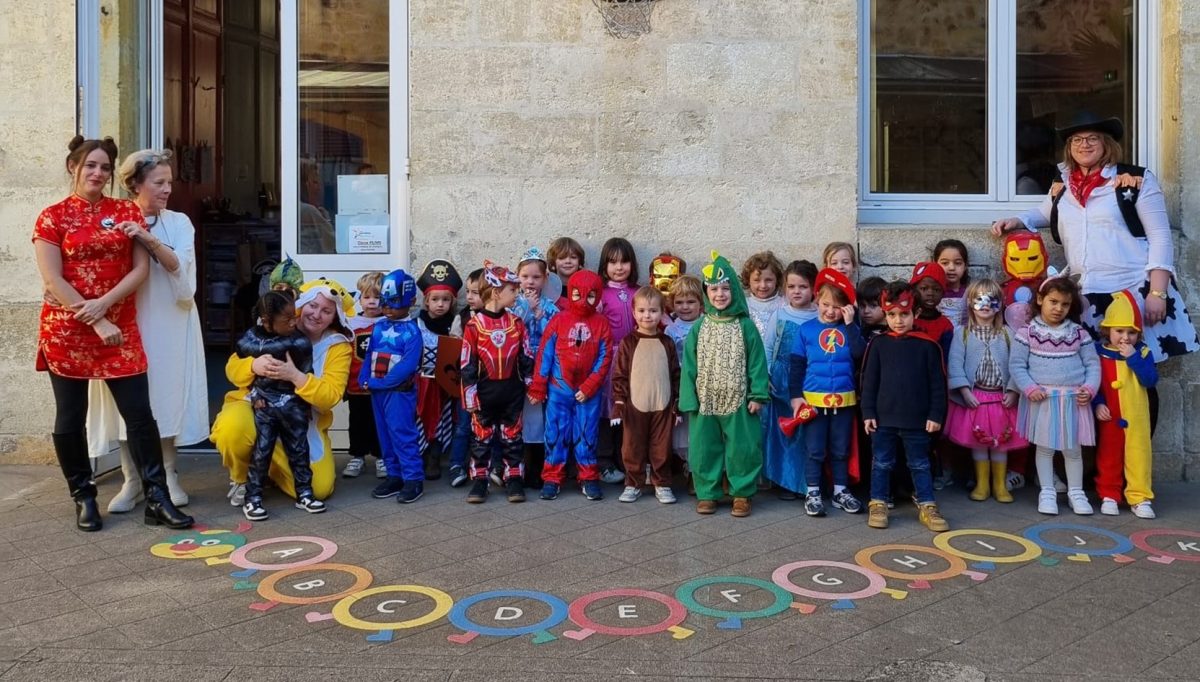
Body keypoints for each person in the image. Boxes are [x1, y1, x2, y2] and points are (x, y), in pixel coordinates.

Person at [33, 135, 192, 531]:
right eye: (91, 165)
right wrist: (95, 318)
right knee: (71, 416)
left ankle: (156, 498)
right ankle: (83, 496)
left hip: (119, 329)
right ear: (74, 167)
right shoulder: (52, 216)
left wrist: (106, 307)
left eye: (105, 167)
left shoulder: (125, 212)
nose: (98, 173)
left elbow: (140, 270)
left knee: (140, 415)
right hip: (67, 329)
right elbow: (52, 279)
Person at [991, 111, 1198, 365]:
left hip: (1132, 289)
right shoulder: (1064, 183)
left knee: (1136, 371)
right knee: (1094, 376)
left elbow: (1160, 236)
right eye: (1076, 140)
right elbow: (1047, 211)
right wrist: (1018, 220)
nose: (1084, 145)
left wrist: (1158, 292)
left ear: (1106, 144)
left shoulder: (1135, 180)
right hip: (1087, 294)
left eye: (1092, 139)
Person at [88, 148, 207, 513]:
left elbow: (181, 268)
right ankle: (132, 479)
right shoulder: (111, 220)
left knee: (166, 394)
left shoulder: (179, 222)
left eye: (169, 182)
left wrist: (149, 238)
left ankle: (168, 473)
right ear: (134, 184)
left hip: (169, 317)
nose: (167, 189)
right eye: (159, 183)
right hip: (124, 319)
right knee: (126, 398)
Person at [212, 277, 354, 504]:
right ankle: (242, 478)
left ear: (334, 316)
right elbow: (232, 368)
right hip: (257, 407)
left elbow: (329, 397)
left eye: (326, 311)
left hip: (300, 421)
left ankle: (267, 467)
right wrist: (252, 365)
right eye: (313, 306)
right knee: (233, 428)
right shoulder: (274, 323)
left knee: (319, 489)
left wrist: (295, 376)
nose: (317, 315)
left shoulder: (337, 348)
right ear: (301, 304)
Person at [679, 251, 769, 518]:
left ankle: (741, 493)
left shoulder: (746, 327)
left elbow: (757, 362)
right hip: (705, 401)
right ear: (707, 292)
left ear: (734, 292)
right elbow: (689, 365)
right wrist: (688, 399)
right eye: (714, 288)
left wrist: (758, 394)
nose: (719, 294)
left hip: (739, 400)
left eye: (725, 288)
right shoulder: (699, 327)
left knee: (742, 448)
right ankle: (707, 492)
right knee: (704, 448)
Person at [861, 281, 950, 532]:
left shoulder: (928, 346)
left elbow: (938, 384)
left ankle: (927, 503)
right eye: (891, 315)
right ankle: (878, 501)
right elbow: (869, 381)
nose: (898, 320)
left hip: (917, 420)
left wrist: (936, 414)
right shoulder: (878, 344)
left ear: (916, 313)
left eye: (904, 314)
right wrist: (867, 412)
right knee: (881, 463)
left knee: (920, 463)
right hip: (883, 419)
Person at [1009, 274, 1101, 516]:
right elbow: (1017, 365)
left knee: (1072, 449)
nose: (1058, 308)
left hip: (1073, 399)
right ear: (1040, 299)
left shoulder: (1079, 333)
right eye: (1053, 301)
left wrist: (1089, 389)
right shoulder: (1027, 332)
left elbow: (1093, 364)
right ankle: (1047, 491)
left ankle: (1076, 492)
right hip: (1043, 400)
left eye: (1065, 304)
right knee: (1045, 448)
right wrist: (1029, 388)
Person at [236, 292, 324, 520]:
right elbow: (242, 347)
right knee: (261, 450)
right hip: (264, 402)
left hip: (292, 403)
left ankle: (305, 493)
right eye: (287, 319)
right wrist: (254, 368)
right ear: (266, 320)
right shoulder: (252, 338)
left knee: (299, 449)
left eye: (293, 316)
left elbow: (307, 373)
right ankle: (253, 497)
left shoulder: (299, 341)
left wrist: (303, 405)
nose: (294, 322)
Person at [529, 270, 614, 501]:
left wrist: (590, 386)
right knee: (555, 432)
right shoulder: (559, 320)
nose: (584, 302)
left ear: (598, 297)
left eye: (590, 296)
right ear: (571, 293)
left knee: (587, 432)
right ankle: (552, 477)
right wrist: (538, 385)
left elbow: (605, 358)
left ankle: (588, 476)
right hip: (559, 388)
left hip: (588, 392)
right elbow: (545, 354)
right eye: (578, 295)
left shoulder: (602, 324)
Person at [788, 268, 865, 517]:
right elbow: (797, 365)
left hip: (844, 401)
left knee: (841, 448)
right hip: (814, 401)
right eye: (825, 304)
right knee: (815, 449)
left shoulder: (849, 329)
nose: (830, 311)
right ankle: (813, 492)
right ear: (817, 299)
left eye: (837, 307)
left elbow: (859, 354)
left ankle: (840, 491)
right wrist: (796, 396)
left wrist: (851, 324)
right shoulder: (806, 330)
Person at [944, 279, 1027, 503]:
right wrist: (964, 391)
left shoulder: (1009, 333)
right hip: (976, 398)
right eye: (979, 299)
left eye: (992, 299)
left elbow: (1017, 363)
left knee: (1000, 442)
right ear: (970, 303)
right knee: (980, 442)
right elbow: (955, 363)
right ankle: (982, 483)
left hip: (1001, 400)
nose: (985, 304)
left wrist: (1013, 390)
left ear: (1000, 304)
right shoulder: (962, 333)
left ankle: (999, 485)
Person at [461, 261, 534, 504]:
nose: (517, 294)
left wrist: (532, 383)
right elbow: (467, 363)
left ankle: (514, 480)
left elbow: (526, 356)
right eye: (513, 290)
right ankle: (480, 481)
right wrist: (469, 395)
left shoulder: (517, 323)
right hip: (484, 391)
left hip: (512, 390)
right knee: (481, 439)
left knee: (513, 438)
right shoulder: (474, 325)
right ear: (496, 292)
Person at [1093, 290, 1158, 519]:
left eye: (1131, 332)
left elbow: (1149, 379)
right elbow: (1095, 384)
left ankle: (1139, 497)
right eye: (1119, 331)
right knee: (1109, 454)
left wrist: (1133, 357)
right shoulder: (1099, 354)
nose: (1125, 337)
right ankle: (1108, 494)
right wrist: (1098, 404)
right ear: (1107, 330)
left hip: (1137, 416)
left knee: (1139, 455)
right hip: (1111, 415)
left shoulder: (1143, 352)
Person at [361, 269, 425, 504]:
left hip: (398, 393)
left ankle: (413, 479)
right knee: (385, 436)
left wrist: (378, 382)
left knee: (403, 434)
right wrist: (363, 377)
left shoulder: (412, 332)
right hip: (379, 391)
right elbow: (369, 355)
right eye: (384, 303)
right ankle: (394, 475)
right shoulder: (378, 327)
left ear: (410, 302)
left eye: (394, 304)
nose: (387, 309)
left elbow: (406, 367)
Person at [611, 286, 680, 504]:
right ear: (633, 313)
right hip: (634, 406)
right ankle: (634, 483)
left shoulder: (667, 342)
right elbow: (620, 375)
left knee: (662, 446)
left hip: (662, 404)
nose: (647, 315)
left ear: (662, 313)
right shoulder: (628, 343)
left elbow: (675, 374)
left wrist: (676, 405)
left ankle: (662, 483)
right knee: (632, 446)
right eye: (641, 311)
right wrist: (619, 404)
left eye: (652, 311)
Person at [763, 260, 819, 500]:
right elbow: (767, 346)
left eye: (803, 286)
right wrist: (763, 376)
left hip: (808, 380)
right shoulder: (780, 313)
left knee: (804, 431)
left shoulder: (819, 314)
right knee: (782, 432)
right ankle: (784, 481)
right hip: (780, 380)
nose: (797, 291)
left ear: (814, 288)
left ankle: (804, 481)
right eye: (792, 286)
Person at [512, 248, 559, 487]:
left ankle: (536, 467)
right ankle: (510, 466)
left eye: (536, 277)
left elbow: (555, 333)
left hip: (541, 370)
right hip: (516, 369)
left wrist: (541, 316)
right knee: (514, 416)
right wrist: (527, 311)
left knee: (536, 419)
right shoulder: (513, 304)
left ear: (545, 279)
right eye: (525, 277)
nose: (530, 282)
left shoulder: (551, 307)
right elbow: (511, 329)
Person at [415, 259, 464, 482]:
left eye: (445, 300)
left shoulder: (455, 323)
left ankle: (435, 456)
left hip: (444, 381)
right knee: (421, 418)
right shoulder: (416, 323)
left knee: (441, 419)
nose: (440, 304)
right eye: (435, 299)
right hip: (421, 381)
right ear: (426, 301)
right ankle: (421, 455)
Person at [597, 237, 639, 485]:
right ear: (604, 265)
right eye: (613, 262)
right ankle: (604, 461)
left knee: (628, 410)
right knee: (606, 410)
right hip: (608, 358)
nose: (619, 267)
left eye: (624, 261)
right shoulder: (600, 294)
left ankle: (627, 460)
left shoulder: (638, 292)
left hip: (634, 357)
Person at [343, 271, 386, 479]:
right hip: (355, 384)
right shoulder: (351, 325)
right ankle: (357, 456)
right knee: (357, 421)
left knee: (380, 422)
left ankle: (381, 456)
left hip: (381, 385)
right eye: (367, 297)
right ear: (359, 298)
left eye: (377, 297)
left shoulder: (389, 324)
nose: (372, 302)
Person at [664, 274, 704, 493]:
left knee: (700, 428)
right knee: (684, 429)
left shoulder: (706, 325)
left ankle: (701, 471)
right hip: (681, 384)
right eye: (679, 302)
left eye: (691, 302)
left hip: (701, 382)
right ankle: (689, 470)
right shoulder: (671, 330)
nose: (685, 307)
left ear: (701, 303)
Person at [448, 268, 485, 487]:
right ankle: (456, 464)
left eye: (476, 292)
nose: (470, 297)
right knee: (463, 425)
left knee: (488, 426)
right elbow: (453, 348)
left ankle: (485, 464)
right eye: (468, 292)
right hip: (467, 383)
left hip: (490, 384)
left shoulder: (499, 318)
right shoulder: (461, 318)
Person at [742, 251, 785, 341]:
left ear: (777, 280)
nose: (763, 285)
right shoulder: (744, 305)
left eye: (768, 280)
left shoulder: (784, 304)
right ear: (748, 280)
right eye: (757, 280)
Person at [934, 239, 971, 328]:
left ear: (965, 265)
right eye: (945, 263)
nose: (951, 268)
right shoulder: (930, 294)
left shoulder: (971, 294)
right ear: (935, 263)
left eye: (958, 263)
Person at [547, 236, 586, 307]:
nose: (568, 261)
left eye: (573, 257)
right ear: (553, 263)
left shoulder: (585, 288)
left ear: (580, 263)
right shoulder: (547, 288)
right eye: (562, 257)